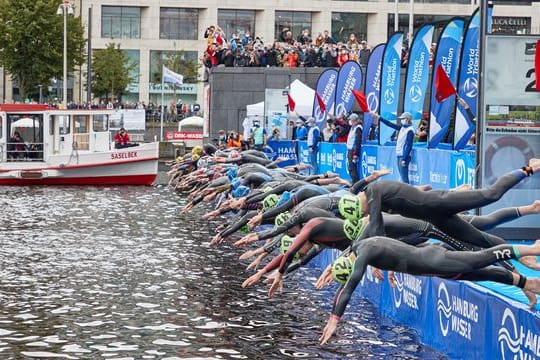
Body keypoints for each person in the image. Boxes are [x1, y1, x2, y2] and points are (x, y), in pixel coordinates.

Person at [320, 237, 540, 344]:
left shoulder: (363, 255)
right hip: (433, 266)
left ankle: (532, 249)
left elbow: (350, 284)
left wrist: (334, 319)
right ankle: (528, 284)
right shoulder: (357, 247)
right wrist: (333, 266)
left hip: (436, 261)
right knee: (479, 273)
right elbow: (349, 274)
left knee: (482, 258)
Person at [371, 111, 414, 183]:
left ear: (408, 119)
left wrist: (404, 158)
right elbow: (390, 124)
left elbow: (408, 145)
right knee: (402, 176)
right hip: (399, 155)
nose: (401, 120)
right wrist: (379, 117)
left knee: (404, 177)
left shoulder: (410, 130)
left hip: (403, 156)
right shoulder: (402, 128)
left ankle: (407, 193)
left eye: (403, 118)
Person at [346, 113, 362, 183]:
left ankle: (355, 182)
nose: (350, 122)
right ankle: (354, 181)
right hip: (350, 149)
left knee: (352, 167)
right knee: (350, 167)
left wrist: (356, 153)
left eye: (351, 120)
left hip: (353, 150)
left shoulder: (358, 128)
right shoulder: (352, 128)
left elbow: (357, 141)